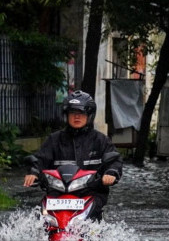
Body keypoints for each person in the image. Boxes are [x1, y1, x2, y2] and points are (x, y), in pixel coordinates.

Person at [23, 90, 123, 221]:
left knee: (94, 215)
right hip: (57, 192)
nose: (77, 117)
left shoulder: (101, 140)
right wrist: (34, 172)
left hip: (90, 192)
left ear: (89, 116)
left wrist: (111, 173)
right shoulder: (54, 139)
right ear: (66, 115)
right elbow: (40, 159)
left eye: (81, 113)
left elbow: (114, 160)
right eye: (73, 113)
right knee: (38, 217)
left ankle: (94, 238)